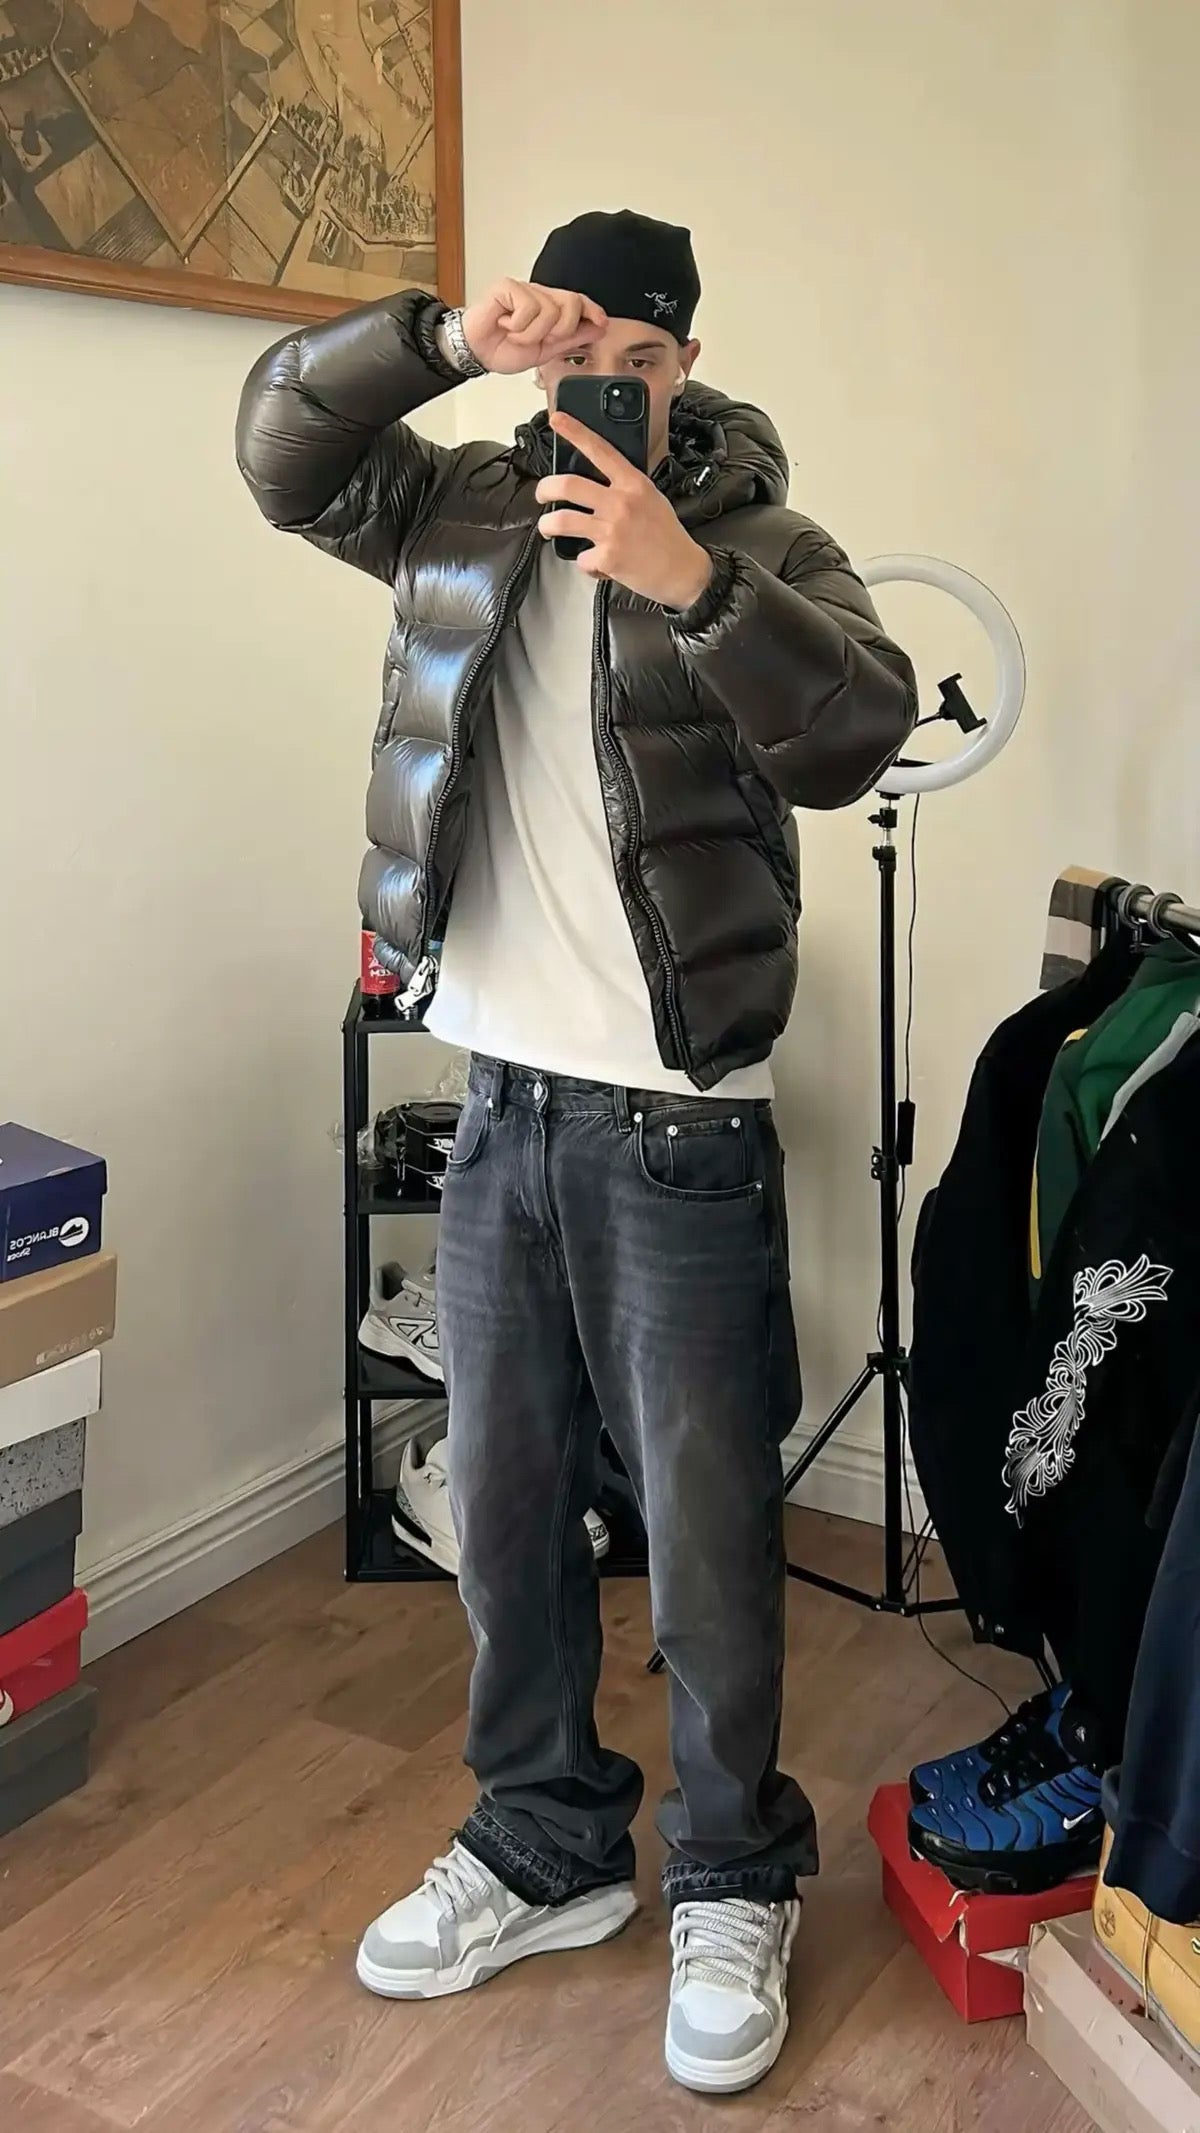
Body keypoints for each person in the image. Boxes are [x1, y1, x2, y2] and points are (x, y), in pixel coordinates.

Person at [237, 209, 916, 2095]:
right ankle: (545, 1841)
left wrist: (692, 580)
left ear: (683, 364)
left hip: (678, 1128)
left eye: (632, 349)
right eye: (568, 342)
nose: (595, 375)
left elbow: (858, 730)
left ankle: (733, 1869)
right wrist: (440, 338)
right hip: (497, 1109)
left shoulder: (768, 543)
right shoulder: (453, 506)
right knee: (509, 1514)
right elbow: (281, 447)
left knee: (704, 1540)